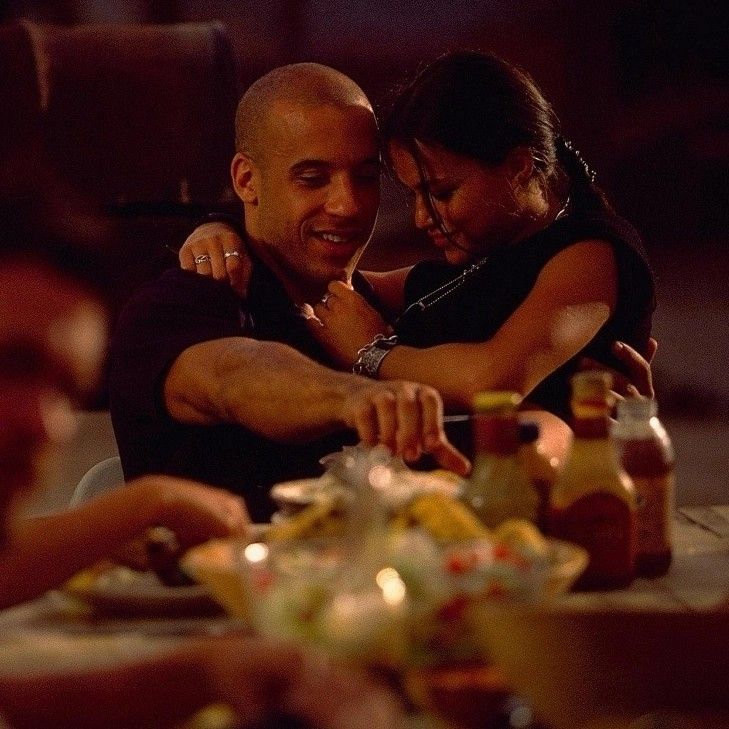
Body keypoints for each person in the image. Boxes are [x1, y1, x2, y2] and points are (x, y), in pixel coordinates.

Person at [0, 160, 406, 729]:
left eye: (66, 392)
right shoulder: (187, 306)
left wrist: (211, 674)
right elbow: (231, 372)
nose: (43, 425)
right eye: (11, 366)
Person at [180, 51, 656, 462]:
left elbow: (493, 378)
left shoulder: (592, 253)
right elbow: (315, 278)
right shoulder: (479, 259)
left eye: (442, 193)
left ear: (517, 167)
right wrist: (225, 229)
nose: (422, 217)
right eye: (413, 195)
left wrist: (373, 353)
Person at [108, 63, 469, 523]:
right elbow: (232, 376)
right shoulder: (187, 298)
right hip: (215, 590)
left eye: (364, 176)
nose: (348, 205)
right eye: (313, 178)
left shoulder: (368, 310)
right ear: (246, 181)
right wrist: (352, 395)